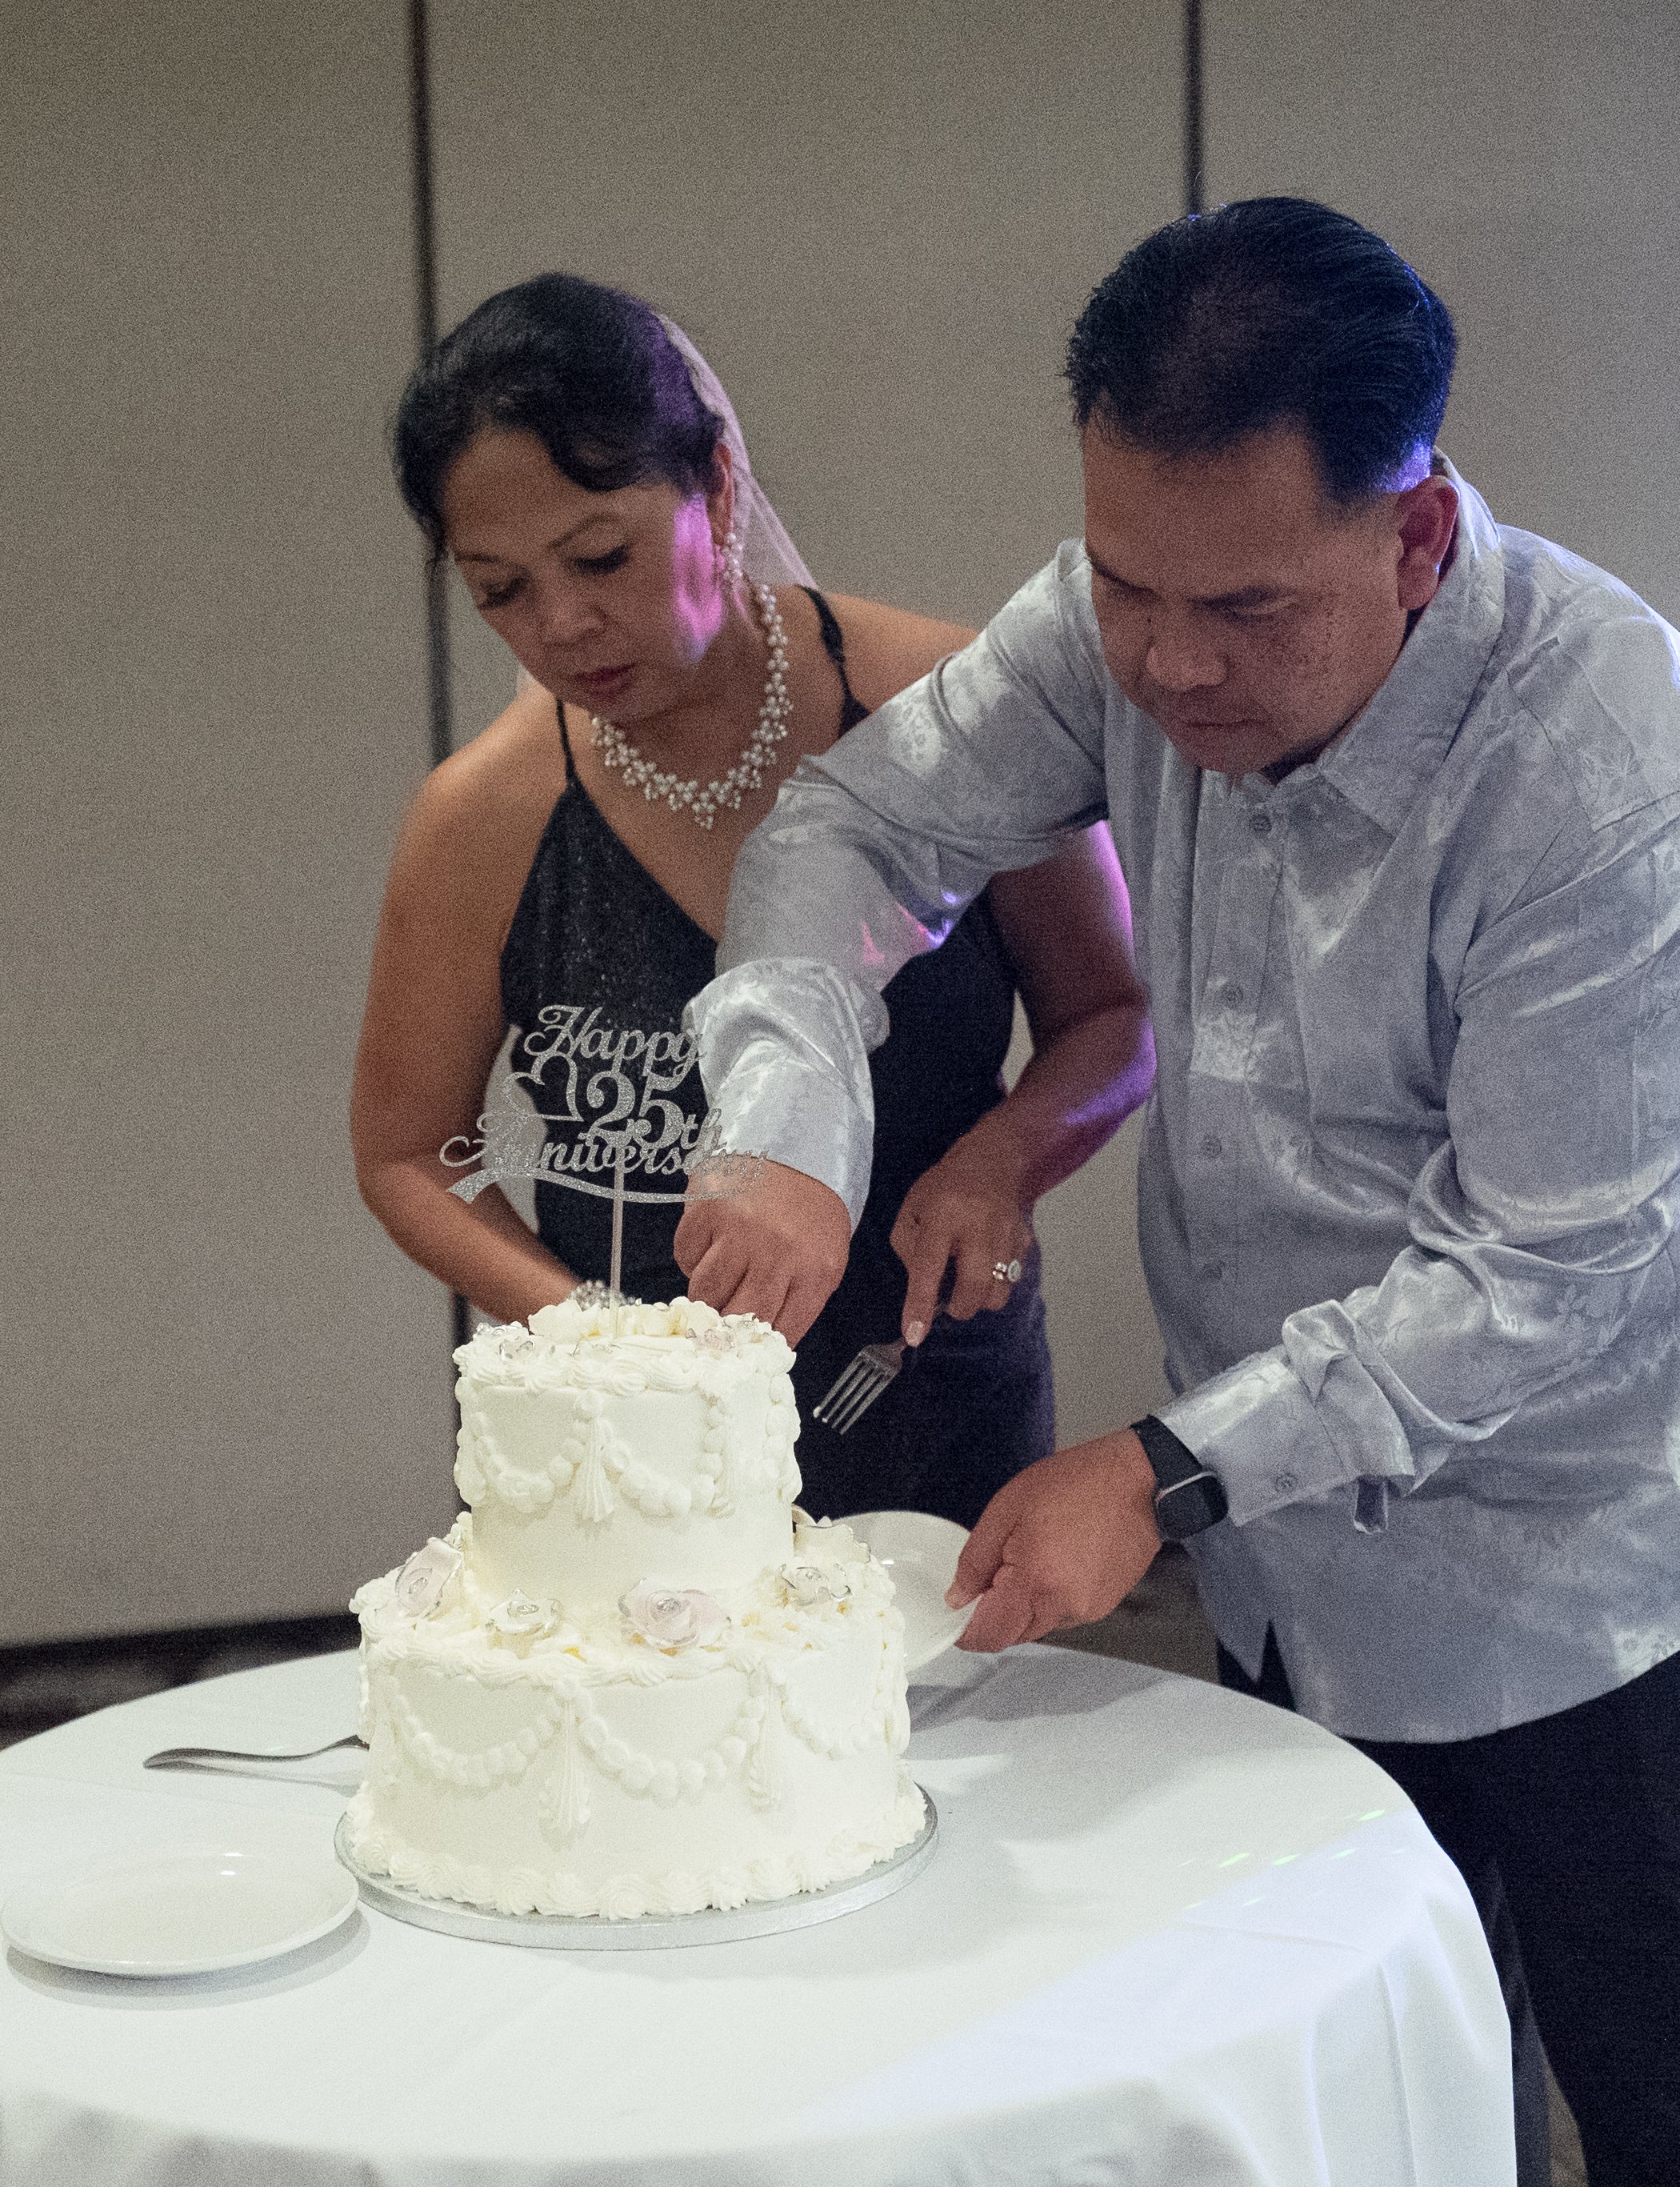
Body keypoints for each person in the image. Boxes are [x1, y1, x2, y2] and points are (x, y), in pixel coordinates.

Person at [678, 200, 1680, 2186]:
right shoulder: (1127, 622)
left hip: (1576, 1594)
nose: (1164, 662)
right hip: (1284, 1564)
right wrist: (787, 1111)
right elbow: (855, 823)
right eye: (1124, 584)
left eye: (1245, 608)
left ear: (1416, 535)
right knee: (1370, 2097)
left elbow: (1545, 1271)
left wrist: (1160, 1467)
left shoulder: (1603, 763)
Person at [350, 271, 1153, 1528]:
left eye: (600, 557)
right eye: (500, 589)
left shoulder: (947, 709)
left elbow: (1113, 1015)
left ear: (718, 488)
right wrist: (594, 1334)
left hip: (929, 1382)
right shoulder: (482, 818)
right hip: (640, 1447)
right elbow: (414, 1153)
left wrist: (1003, 1165)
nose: (562, 625)